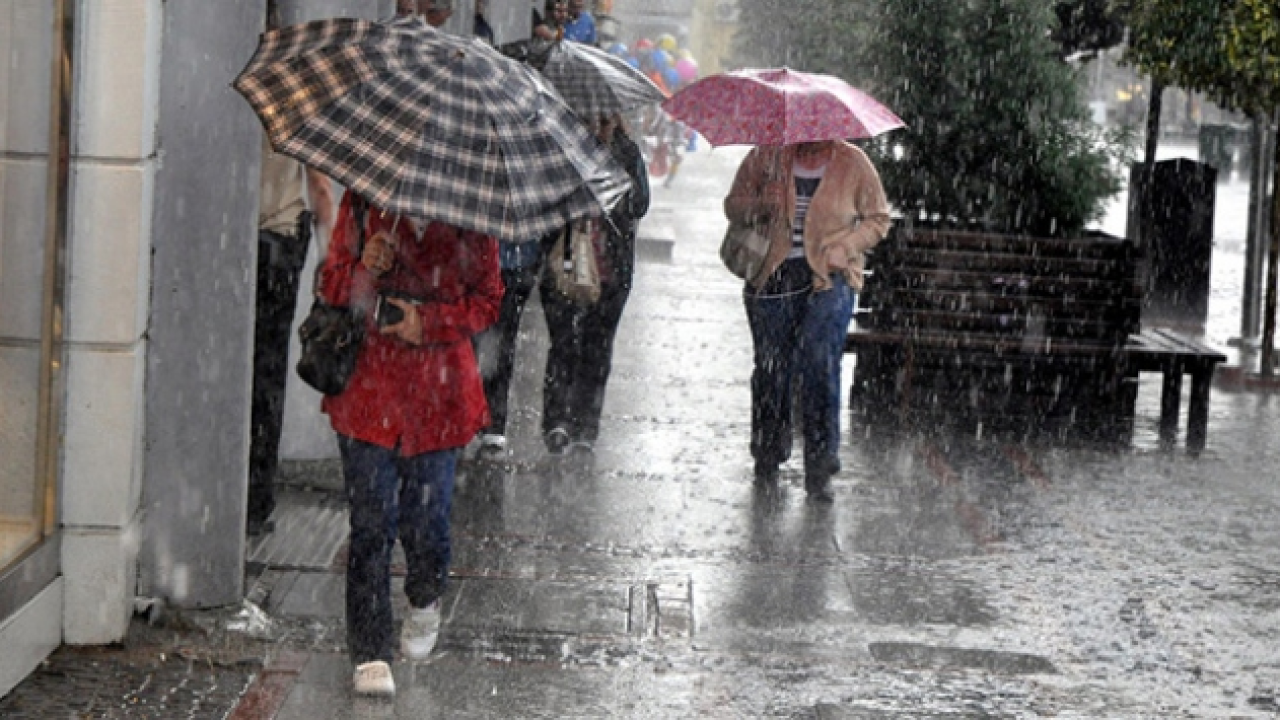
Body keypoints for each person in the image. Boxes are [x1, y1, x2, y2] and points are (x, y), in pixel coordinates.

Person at [316, 190, 502, 696]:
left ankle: (426, 594)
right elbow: (332, 284)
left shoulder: (472, 210)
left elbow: (488, 300)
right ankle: (370, 651)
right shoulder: (364, 201)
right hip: (369, 391)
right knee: (371, 524)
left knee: (428, 523)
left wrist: (429, 323)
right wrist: (364, 268)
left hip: (439, 397)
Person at [723, 140, 889, 501]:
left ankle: (820, 463)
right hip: (772, 274)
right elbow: (732, 207)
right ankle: (768, 452)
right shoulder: (766, 156)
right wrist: (762, 205)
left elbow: (878, 219)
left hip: (829, 278)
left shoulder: (853, 162)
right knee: (771, 367)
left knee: (819, 361)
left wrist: (846, 247)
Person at [248, 1, 336, 538]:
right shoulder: (296, 88)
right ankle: (256, 498)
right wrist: (329, 253)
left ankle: (226, 486)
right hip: (280, 241)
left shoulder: (233, 82)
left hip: (235, 245)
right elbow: (319, 184)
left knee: (232, 369)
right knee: (267, 370)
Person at [539, 113, 650, 454]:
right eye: (592, 120)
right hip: (566, 261)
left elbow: (640, 205)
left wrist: (609, 188)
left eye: (605, 121)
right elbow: (542, 200)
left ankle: (585, 424)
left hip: (611, 267)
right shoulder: (563, 148)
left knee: (598, 348)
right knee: (563, 343)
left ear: (616, 120)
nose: (598, 128)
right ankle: (556, 420)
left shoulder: (627, 153)